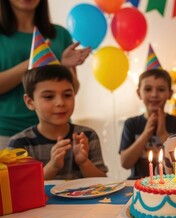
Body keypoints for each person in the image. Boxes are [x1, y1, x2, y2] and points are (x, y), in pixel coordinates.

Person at [0, 0, 91, 149]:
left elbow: (74, 88)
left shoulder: (60, 34)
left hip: (57, 132)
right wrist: (32, 62)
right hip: (7, 131)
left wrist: (64, 66)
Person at [8, 64, 108, 180]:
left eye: (67, 95)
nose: (60, 102)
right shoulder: (20, 144)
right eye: (49, 96)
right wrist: (53, 166)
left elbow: (103, 182)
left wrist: (84, 162)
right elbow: (22, 188)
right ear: (30, 102)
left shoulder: (86, 135)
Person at [119, 69, 176, 180]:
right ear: (138, 93)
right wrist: (146, 134)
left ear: (170, 94)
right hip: (138, 182)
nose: (154, 94)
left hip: (170, 182)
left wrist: (163, 134)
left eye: (161, 89)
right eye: (148, 89)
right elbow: (125, 163)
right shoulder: (131, 124)